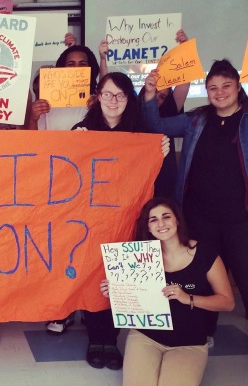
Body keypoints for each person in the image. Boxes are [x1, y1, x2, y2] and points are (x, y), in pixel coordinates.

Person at [73, 72, 171, 370]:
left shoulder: (143, 135)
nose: (113, 101)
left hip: (128, 220)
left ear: (129, 99)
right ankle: (95, 338)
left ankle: (111, 339)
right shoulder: (82, 131)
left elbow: (156, 181)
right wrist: (71, 145)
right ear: (98, 96)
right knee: (94, 279)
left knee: (122, 277)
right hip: (91, 222)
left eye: (120, 95)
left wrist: (160, 155)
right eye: (107, 94)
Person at [142, 59, 248, 325]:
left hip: (241, 218)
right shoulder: (196, 120)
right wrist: (150, 95)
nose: (219, 92)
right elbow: (157, 127)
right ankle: (205, 331)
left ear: (238, 87)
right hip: (200, 217)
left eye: (226, 86)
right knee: (202, 277)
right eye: (212, 87)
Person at [101, 198, 234, 386]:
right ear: (148, 227)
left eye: (166, 216)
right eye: (153, 219)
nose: (161, 223)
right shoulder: (139, 257)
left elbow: (228, 302)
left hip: (190, 343)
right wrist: (116, 290)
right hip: (145, 337)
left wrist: (187, 298)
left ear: (177, 220)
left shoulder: (204, 253)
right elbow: (135, 298)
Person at [137, 29, 190, 199]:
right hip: (137, 176)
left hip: (164, 179)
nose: (157, 98)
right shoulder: (131, 110)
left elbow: (183, 84)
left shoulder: (169, 113)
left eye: (162, 96)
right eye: (154, 91)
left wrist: (185, 49)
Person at [26, 38, 108, 131]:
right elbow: (35, 140)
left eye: (82, 64)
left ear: (90, 68)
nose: (76, 68)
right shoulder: (48, 102)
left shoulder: (94, 101)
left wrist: (103, 59)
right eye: (71, 64)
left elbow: (105, 87)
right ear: (62, 68)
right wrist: (33, 119)